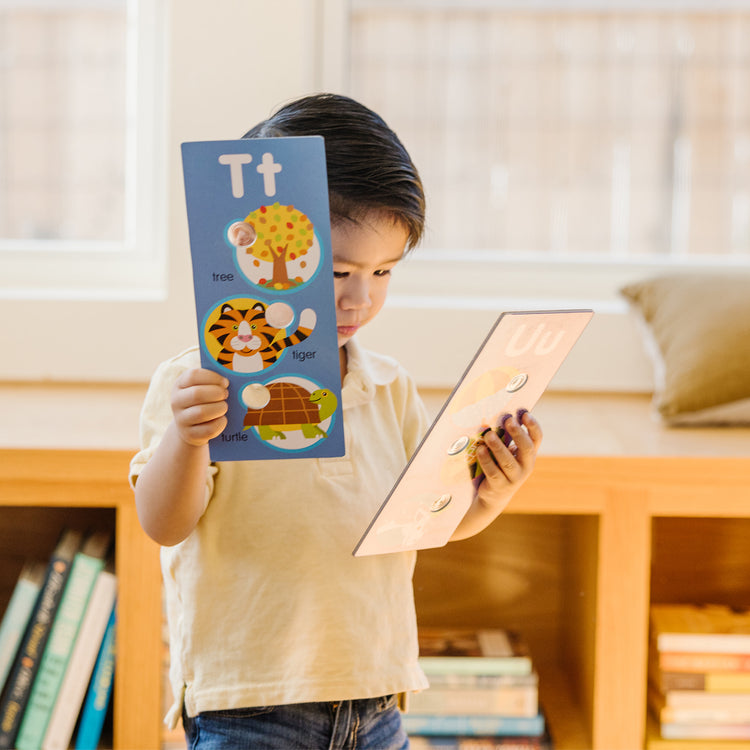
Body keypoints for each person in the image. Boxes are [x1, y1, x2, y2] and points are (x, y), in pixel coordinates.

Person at [129, 93, 542, 750]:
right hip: (251, 706)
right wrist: (186, 437)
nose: (361, 297)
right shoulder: (195, 384)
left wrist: (490, 495)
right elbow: (163, 522)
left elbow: (422, 520)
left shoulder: (390, 386)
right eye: (341, 271)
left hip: (377, 698)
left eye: (383, 272)